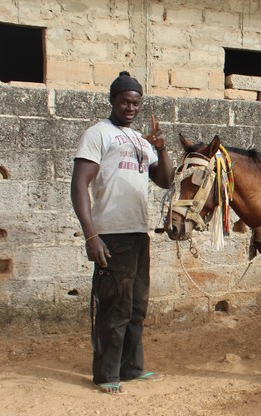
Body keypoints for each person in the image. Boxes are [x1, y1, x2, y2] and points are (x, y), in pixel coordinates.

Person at [71, 71, 174, 394]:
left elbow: (166, 180)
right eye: (125, 101)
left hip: (138, 232)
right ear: (113, 101)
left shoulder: (142, 142)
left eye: (136, 103)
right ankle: (106, 375)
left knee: (136, 305)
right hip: (111, 233)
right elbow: (79, 185)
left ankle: (131, 368)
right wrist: (91, 235)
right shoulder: (98, 134)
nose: (131, 108)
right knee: (114, 306)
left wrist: (162, 148)